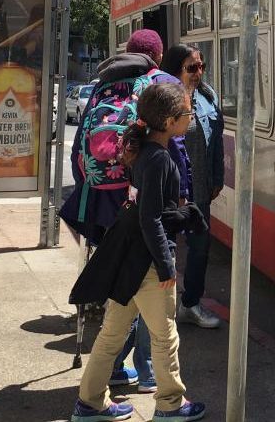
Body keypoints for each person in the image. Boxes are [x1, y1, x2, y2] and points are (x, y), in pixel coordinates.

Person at [68, 82, 207, 422]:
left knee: (113, 332)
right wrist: (166, 266)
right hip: (148, 264)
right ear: (171, 121)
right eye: (187, 114)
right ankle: (172, 404)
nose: (191, 118)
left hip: (130, 258)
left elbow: (147, 208)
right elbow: (151, 218)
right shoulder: (159, 158)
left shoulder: (144, 151)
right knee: (165, 336)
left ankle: (90, 401)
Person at [62, 29, 190, 393]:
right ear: (158, 54)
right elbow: (174, 146)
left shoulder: (102, 85)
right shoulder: (160, 83)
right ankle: (147, 371)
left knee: (120, 282)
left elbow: (78, 153)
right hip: (143, 201)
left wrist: (95, 187)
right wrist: (180, 196)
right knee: (152, 282)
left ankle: (115, 368)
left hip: (102, 201)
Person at [161, 44, 224, 329]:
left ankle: (190, 304)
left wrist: (217, 178)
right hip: (168, 194)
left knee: (200, 249)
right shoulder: (163, 99)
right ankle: (157, 311)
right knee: (163, 250)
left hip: (199, 191)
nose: (198, 73)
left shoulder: (208, 97)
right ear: (176, 69)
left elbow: (217, 142)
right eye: (191, 67)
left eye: (201, 66)